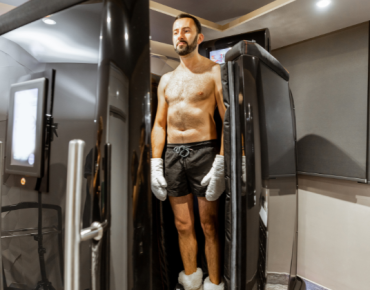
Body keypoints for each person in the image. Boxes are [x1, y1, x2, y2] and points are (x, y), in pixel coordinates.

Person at [151, 13, 226, 290]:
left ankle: (215, 283)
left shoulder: (213, 71)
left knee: (209, 226)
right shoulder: (166, 80)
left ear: (199, 37)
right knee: (182, 225)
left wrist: (221, 160)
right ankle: (192, 281)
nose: (179, 36)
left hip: (204, 151)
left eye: (185, 31)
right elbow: (159, 124)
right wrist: (155, 164)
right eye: (175, 32)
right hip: (172, 155)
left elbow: (227, 119)